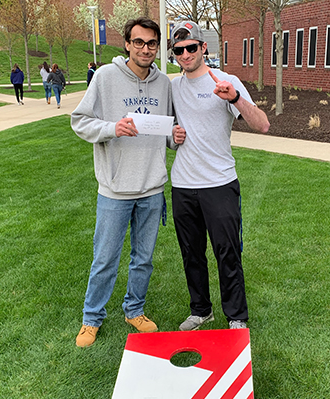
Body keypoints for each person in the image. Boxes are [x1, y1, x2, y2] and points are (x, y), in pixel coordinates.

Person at [71, 17, 182, 348]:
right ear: (127, 44)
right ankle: (92, 318)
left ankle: (134, 310)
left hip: (151, 190)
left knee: (143, 259)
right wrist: (111, 129)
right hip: (114, 191)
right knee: (105, 258)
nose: (145, 49)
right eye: (138, 42)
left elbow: (168, 131)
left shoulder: (164, 84)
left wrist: (176, 138)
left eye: (151, 43)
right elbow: (80, 121)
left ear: (157, 47)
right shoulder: (105, 77)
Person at [170, 21, 270, 331]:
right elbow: (166, 135)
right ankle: (201, 310)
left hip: (220, 184)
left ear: (203, 48)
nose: (185, 54)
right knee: (191, 253)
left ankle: (236, 317)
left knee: (227, 252)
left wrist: (235, 97)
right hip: (182, 184)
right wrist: (171, 137)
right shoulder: (171, 87)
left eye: (191, 47)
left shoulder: (226, 80)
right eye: (179, 50)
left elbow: (263, 126)